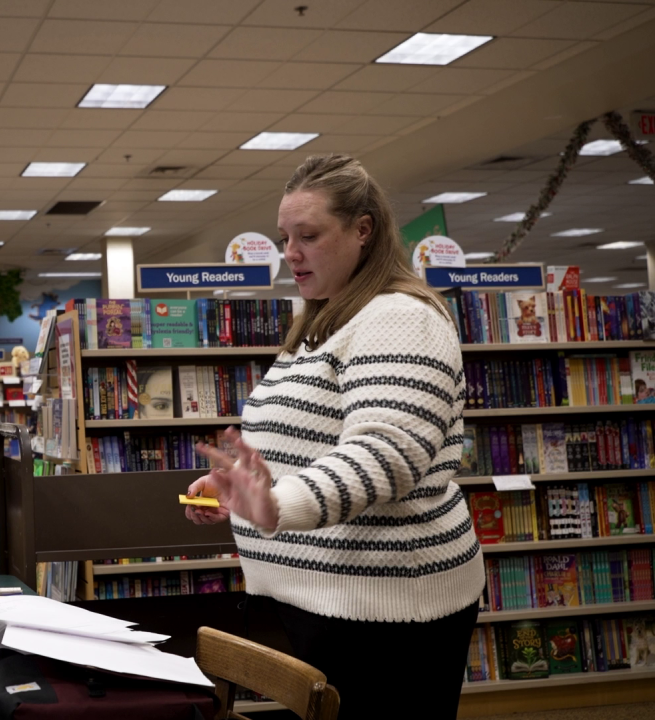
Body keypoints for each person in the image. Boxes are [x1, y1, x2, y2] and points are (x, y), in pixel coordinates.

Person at [184, 154, 484, 719]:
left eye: (309, 236)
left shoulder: (399, 315)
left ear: (363, 230)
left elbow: (386, 456)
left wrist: (274, 505)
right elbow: (305, 445)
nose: (290, 253)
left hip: (388, 610)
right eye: (285, 238)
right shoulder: (326, 319)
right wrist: (239, 490)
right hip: (321, 603)